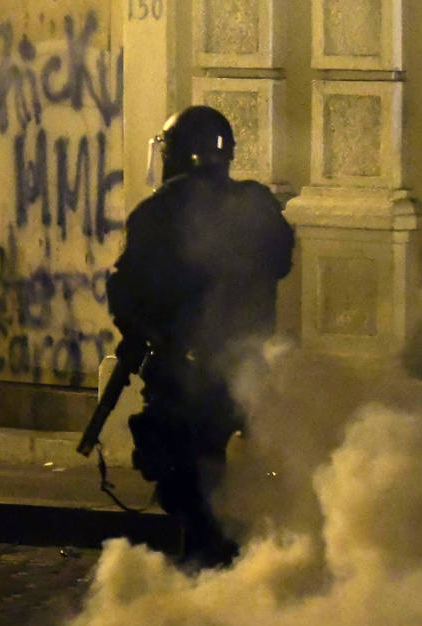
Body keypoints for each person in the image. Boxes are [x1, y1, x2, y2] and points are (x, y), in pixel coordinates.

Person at [106, 106, 294, 567]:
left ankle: (209, 565)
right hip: (244, 367)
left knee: (186, 479)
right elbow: (281, 262)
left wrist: (142, 334)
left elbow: (128, 290)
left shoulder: (158, 213)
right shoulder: (256, 205)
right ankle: (231, 562)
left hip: (183, 369)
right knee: (229, 470)